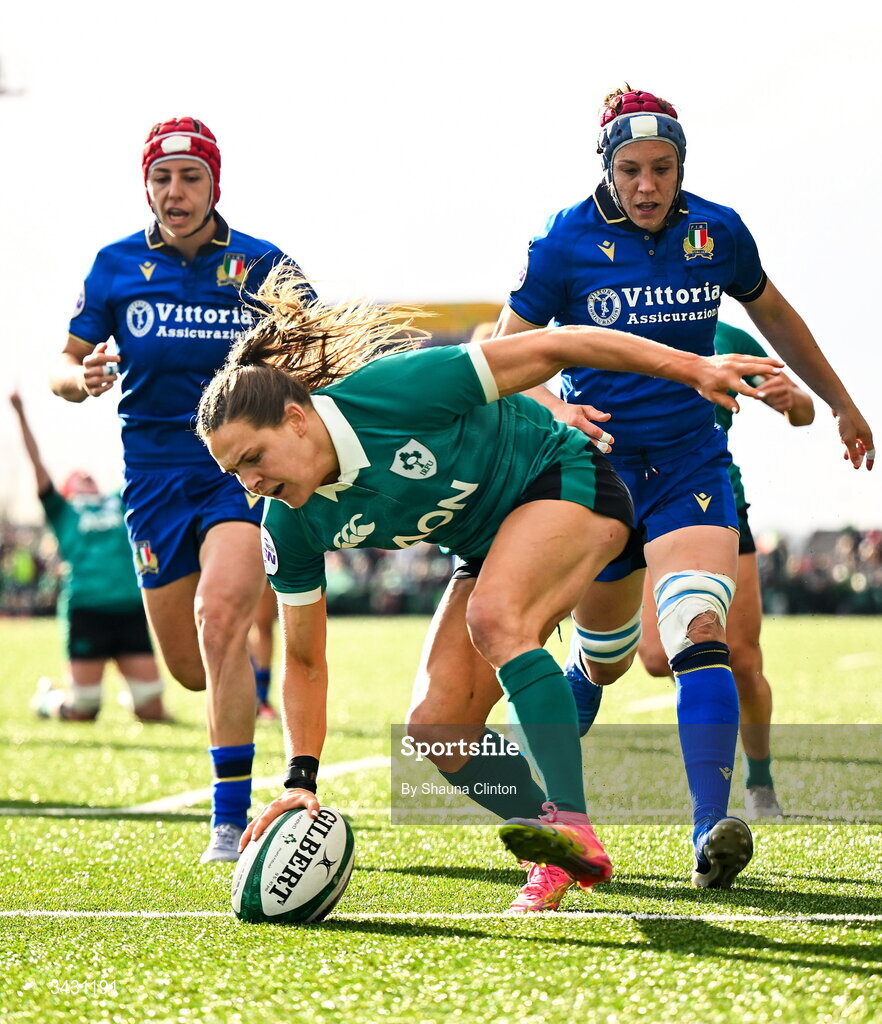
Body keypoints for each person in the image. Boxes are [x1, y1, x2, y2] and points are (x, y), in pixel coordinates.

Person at [193, 262, 782, 912]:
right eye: (233, 472)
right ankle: (555, 851)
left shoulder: (395, 392)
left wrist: (691, 368)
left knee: (496, 618)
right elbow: (302, 658)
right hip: (485, 545)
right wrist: (300, 779)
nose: (248, 482)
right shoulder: (288, 521)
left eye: (254, 457)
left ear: (298, 419)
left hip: (565, 476)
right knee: (437, 728)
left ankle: (570, 821)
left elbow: (560, 345)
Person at [493, 86, 874, 899]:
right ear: (606, 166)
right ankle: (555, 825)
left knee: (705, 627)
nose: (647, 184)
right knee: (600, 663)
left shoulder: (718, 231)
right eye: (630, 169)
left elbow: (778, 316)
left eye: (662, 168)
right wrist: (558, 405)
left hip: (692, 467)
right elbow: (500, 357)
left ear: (681, 167)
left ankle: (712, 831)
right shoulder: (561, 243)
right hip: (598, 475)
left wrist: (838, 401)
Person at [50, 117, 311, 863]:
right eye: (162, 179)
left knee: (222, 614)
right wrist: (82, 378)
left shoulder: (262, 264)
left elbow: (319, 342)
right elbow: (60, 365)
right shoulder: (114, 266)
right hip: (153, 482)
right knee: (194, 666)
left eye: (190, 177)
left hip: (238, 472)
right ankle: (232, 726)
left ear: (214, 184)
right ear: (147, 187)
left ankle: (228, 823)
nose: (175, 192)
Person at [637, 322, 815, 820]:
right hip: (638, 499)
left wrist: (791, 398)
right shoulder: (619, 320)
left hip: (715, 503)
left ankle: (759, 782)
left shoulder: (727, 335)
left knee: (742, 656)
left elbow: (802, 412)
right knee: (655, 657)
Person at [11, 392, 171, 723]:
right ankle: (48, 699)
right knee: (83, 709)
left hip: (128, 609)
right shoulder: (63, 510)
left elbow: (138, 465)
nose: (85, 475)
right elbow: (37, 466)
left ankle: (132, 693)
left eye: (89, 475)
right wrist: (20, 412)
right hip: (88, 611)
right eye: (77, 476)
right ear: (67, 490)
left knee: (152, 710)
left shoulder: (119, 502)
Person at [249, 582, 280, 720]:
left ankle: (262, 698)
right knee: (235, 625)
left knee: (264, 624)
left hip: (264, 563)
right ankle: (248, 696)